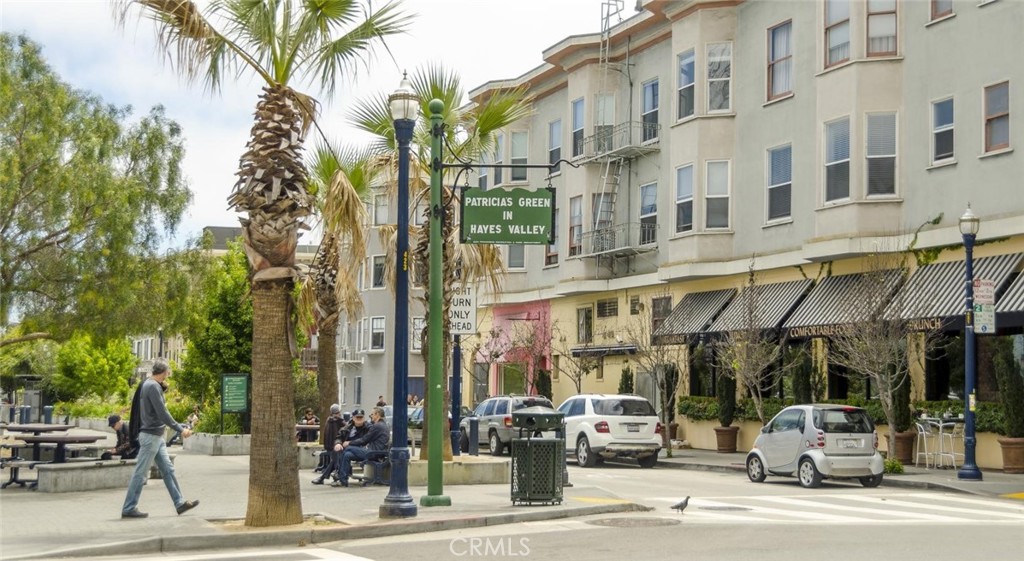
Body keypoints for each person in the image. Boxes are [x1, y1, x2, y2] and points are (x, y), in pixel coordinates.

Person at [121, 360, 199, 519]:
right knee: (140, 473)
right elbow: (162, 413)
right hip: (151, 437)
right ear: (164, 372)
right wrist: (180, 429)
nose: (168, 375)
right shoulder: (153, 387)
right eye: (168, 372)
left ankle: (179, 503)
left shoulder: (149, 384)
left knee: (168, 470)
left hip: (156, 436)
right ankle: (129, 507)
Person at [331, 407, 390, 487]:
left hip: (373, 453)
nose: (371, 416)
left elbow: (364, 440)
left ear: (377, 415)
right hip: (374, 451)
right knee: (347, 454)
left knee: (346, 448)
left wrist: (349, 442)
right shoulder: (382, 425)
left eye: (372, 414)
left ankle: (340, 477)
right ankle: (343, 480)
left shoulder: (377, 426)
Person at [311, 404, 344, 483]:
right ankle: (337, 476)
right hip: (335, 446)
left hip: (330, 446)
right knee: (336, 461)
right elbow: (339, 434)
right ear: (338, 412)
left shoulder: (329, 420)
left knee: (334, 461)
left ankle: (322, 478)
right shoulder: (337, 421)